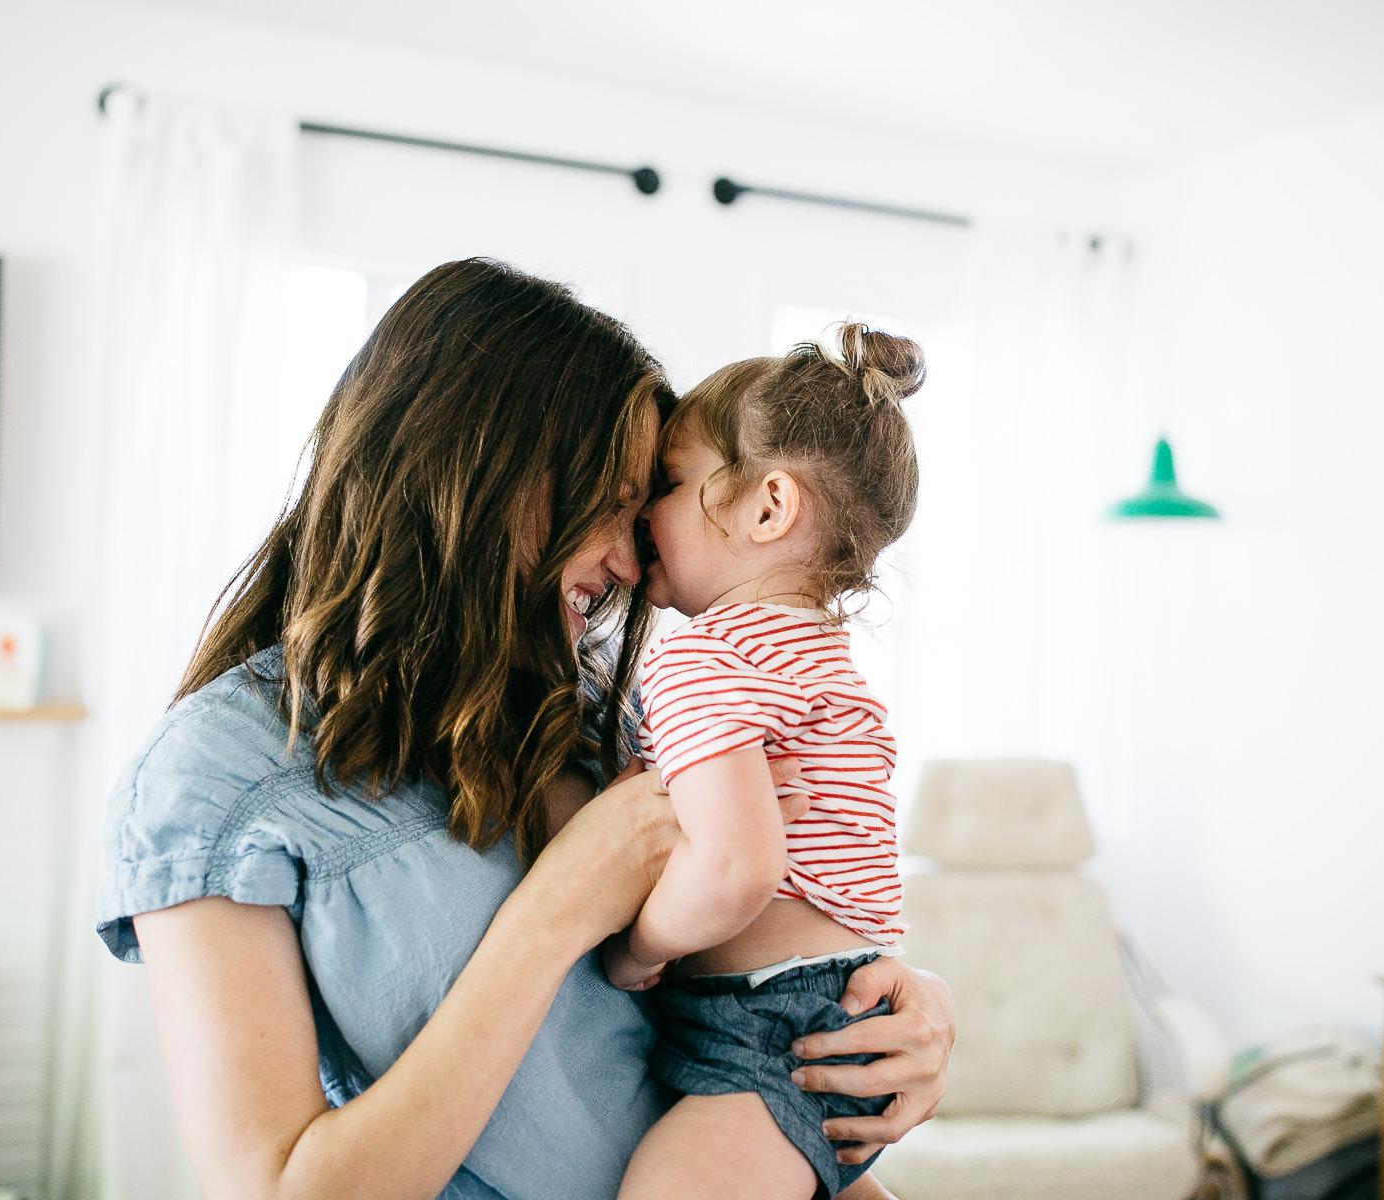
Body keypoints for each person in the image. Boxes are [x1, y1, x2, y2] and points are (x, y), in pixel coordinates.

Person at [95, 260, 954, 1200]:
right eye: (613, 504)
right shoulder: (214, 780)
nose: (633, 562)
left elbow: (733, 989)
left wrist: (891, 1004)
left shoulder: (590, 710)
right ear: (479, 469)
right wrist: (556, 913)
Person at [601, 325, 923, 1199]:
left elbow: (740, 867)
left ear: (768, 507)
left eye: (668, 484)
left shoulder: (701, 657)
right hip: (843, 1008)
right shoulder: (821, 660)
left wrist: (636, 951)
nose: (639, 515)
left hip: (769, 1022)